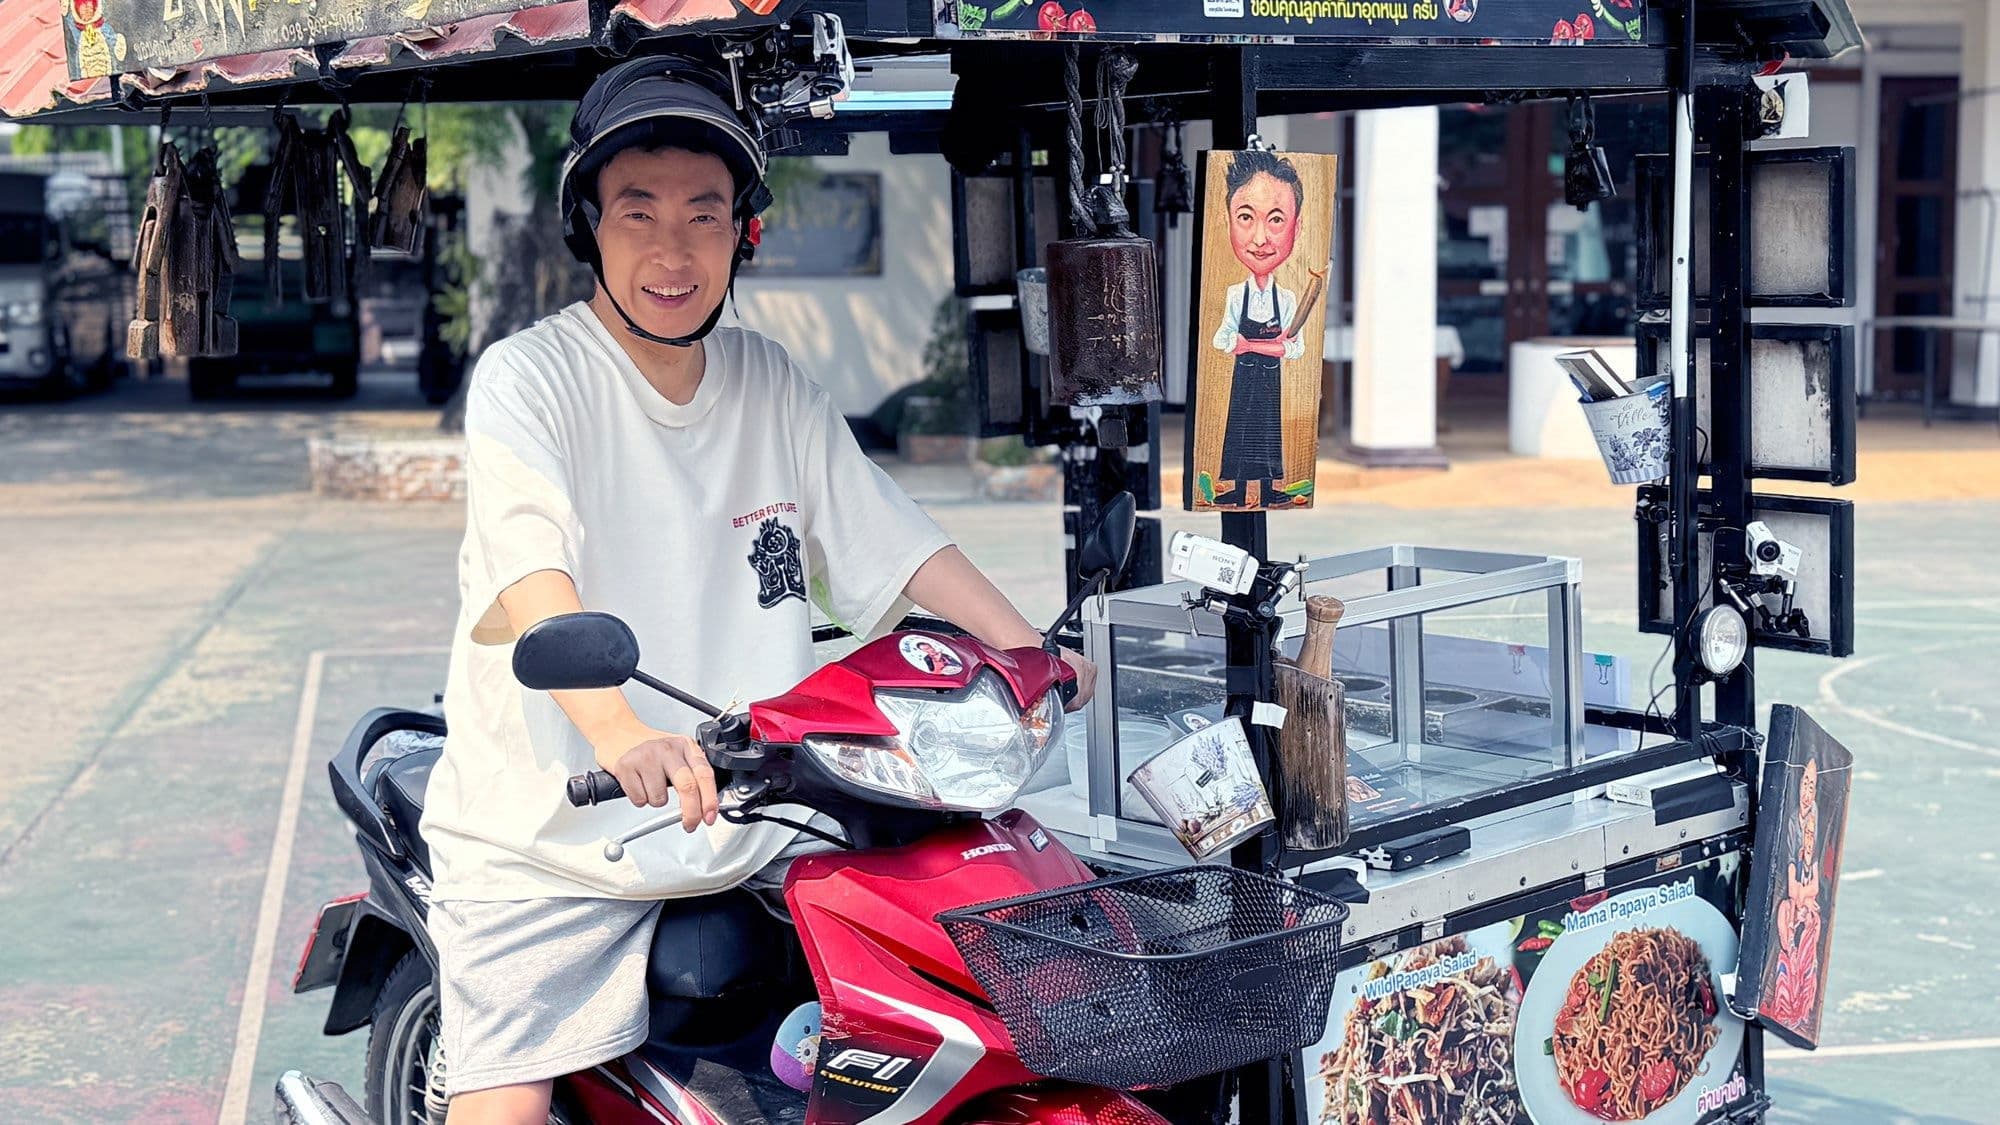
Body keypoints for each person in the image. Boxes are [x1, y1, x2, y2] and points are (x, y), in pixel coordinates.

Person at [418, 56, 1097, 1124]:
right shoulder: (530, 377)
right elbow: (529, 564)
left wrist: (1028, 655)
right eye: (636, 212)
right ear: (586, 226)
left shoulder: (769, 379)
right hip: (556, 834)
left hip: (761, 813)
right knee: (501, 1102)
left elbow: (893, 540)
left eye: (704, 213)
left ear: (744, 231)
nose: (671, 248)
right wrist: (616, 734)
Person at [1204, 149, 1308, 510]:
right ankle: (1235, 490)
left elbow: (1294, 349)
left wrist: (1253, 345)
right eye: (1245, 217)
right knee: (1240, 431)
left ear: (1298, 225)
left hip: (1270, 380)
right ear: (1228, 220)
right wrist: (1252, 345)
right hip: (1243, 377)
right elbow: (1222, 338)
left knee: (1267, 433)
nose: (1260, 238)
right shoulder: (1236, 294)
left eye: (1276, 219)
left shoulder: (1289, 297)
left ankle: (1267, 492)